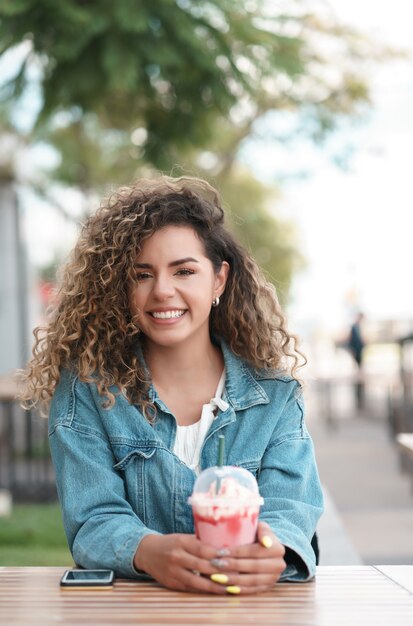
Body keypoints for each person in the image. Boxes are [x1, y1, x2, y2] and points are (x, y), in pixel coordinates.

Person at [22, 176, 323, 595]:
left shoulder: (274, 396)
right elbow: (93, 519)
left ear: (219, 280)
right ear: (119, 288)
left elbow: (292, 507)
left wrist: (275, 550)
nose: (162, 291)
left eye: (184, 270)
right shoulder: (87, 391)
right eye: (141, 275)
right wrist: (146, 550)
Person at [348, 312, 366, 409]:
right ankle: (358, 399)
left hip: (360, 354)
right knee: (357, 377)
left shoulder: (360, 328)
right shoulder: (354, 328)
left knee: (361, 376)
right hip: (357, 354)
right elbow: (351, 342)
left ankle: (361, 398)